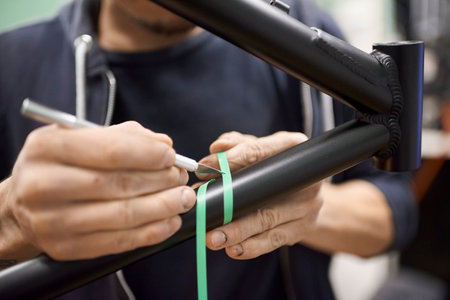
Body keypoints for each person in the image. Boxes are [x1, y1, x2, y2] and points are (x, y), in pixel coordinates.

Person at [0, 0, 417, 299]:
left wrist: (310, 204)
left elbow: (395, 212)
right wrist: (12, 222)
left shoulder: (305, 39)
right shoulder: (13, 60)